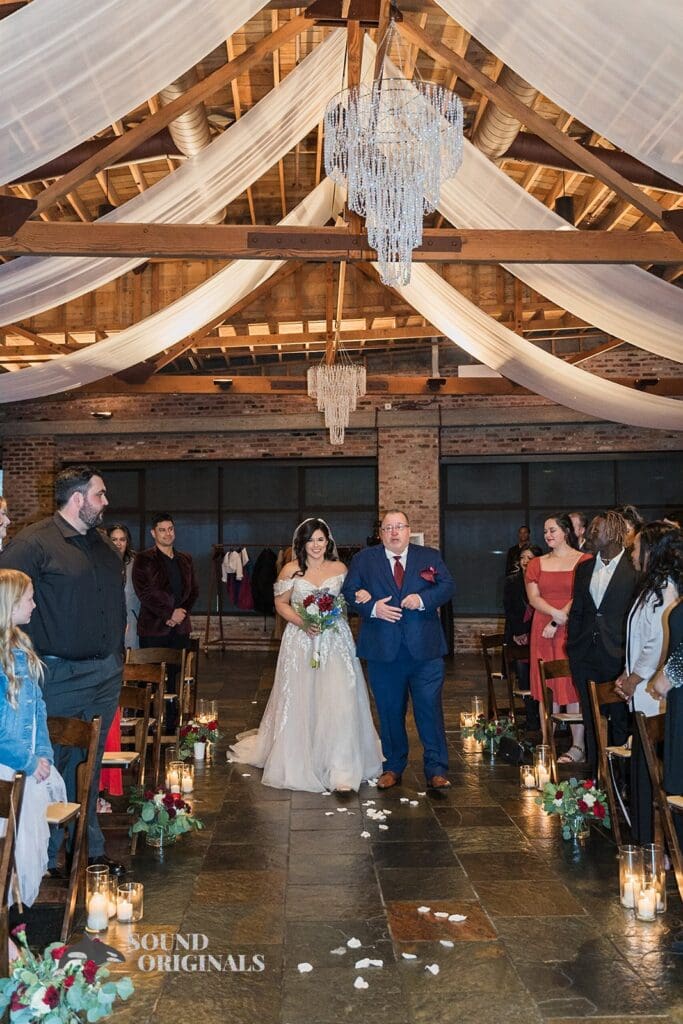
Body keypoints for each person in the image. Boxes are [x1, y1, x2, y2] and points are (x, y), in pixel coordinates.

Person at [0, 465, 126, 876]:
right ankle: (46, 855)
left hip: (104, 672)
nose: (106, 502)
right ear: (78, 499)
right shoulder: (33, 543)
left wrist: (115, 659)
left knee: (89, 760)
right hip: (58, 674)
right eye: (100, 495)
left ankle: (87, 848)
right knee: (52, 763)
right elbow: (9, 600)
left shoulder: (103, 546)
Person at [230, 518, 382, 792]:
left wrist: (355, 600)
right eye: (311, 540)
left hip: (336, 640)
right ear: (302, 543)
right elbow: (280, 603)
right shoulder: (291, 569)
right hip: (301, 640)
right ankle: (303, 758)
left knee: (340, 699)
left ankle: (341, 767)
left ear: (328, 542)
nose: (316, 545)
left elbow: (347, 599)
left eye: (321, 539)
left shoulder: (340, 568)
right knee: (302, 699)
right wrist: (303, 622)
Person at [343, 510, 455, 790]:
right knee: (389, 711)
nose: (394, 532)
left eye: (399, 527)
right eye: (388, 528)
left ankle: (436, 769)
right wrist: (372, 608)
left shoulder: (429, 556)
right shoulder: (363, 559)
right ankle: (393, 766)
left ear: (408, 530)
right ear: (380, 533)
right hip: (383, 651)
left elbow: (448, 586)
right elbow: (349, 591)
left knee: (429, 710)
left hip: (426, 651)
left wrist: (422, 599)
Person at [0, 570, 67, 907]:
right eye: (29, 598)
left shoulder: (22, 649)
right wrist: (26, 760)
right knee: (4, 854)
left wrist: (43, 753)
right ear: (10, 606)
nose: (35, 604)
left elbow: (37, 708)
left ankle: (10, 929)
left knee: (18, 854)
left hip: (26, 764)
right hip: (6, 765)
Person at [614, 522, 680, 844]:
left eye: (637, 547)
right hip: (640, 689)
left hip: (652, 693)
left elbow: (658, 642)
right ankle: (642, 841)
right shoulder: (651, 585)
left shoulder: (665, 587)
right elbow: (638, 639)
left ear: (652, 550)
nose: (632, 552)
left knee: (648, 771)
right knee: (641, 768)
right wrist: (626, 673)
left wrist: (635, 678)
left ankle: (649, 845)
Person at [567, 511, 638, 774]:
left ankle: (619, 780)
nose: (590, 534)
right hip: (584, 655)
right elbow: (578, 611)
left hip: (617, 655)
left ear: (615, 533)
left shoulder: (632, 569)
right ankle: (595, 777)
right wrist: (573, 647)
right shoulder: (584, 567)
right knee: (591, 718)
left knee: (618, 720)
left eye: (597, 530)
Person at [525, 513, 592, 761]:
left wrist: (561, 617)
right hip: (543, 628)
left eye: (552, 530)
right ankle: (547, 743)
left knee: (572, 683)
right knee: (547, 687)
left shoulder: (585, 560)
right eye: (545, 531)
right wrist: (554, 614)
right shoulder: (537, 563)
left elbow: (583, 594)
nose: (548, 535)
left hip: (572, 626)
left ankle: (578, 746)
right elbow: (533, 597)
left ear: (566, 532)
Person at [132, 514, 198, 731]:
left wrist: (181, 612)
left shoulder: (185, 558)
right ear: (153, 533)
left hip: (180, 628)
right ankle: (149, 727)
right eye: (162, 530)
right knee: (151, 678)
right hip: (153, 628)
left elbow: (193, 590)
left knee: (175, 678)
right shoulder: (144, 559)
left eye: (171, 529)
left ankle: (172, 725)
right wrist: (168, 613)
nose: (168, 533)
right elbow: (145, 592)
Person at [503, 543, 542, 731]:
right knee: (524, 676)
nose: (525, 562)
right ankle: (531, 717)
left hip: (538, 633)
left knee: (540, 677)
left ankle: (545, 717)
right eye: (522, 558)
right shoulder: (512, 581)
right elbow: (509, 609)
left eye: (530, 558)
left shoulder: (543, 579)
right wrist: (519, 633)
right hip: (517, 635)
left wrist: (531, 631)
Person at [107, 524, 139, 650]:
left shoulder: (136, 563)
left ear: (127, 542)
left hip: (132, 621)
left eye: (122, 539)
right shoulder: (100, 563)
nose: (118, 543)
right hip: (107, 622)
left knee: (132, 664)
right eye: (114, 539)